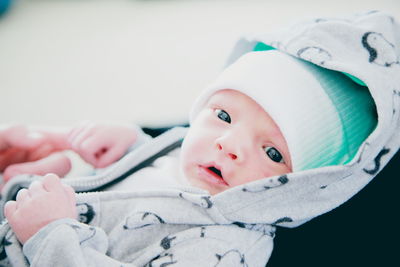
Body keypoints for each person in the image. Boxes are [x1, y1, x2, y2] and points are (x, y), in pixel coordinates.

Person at [0, 10, 399, 267]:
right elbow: (167, 183)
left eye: (274, 151)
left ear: (296, 190)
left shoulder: (227, 247)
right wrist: (134, 149)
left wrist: (50, 236)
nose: (230, 144)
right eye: (223, 115)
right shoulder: (191, 154)